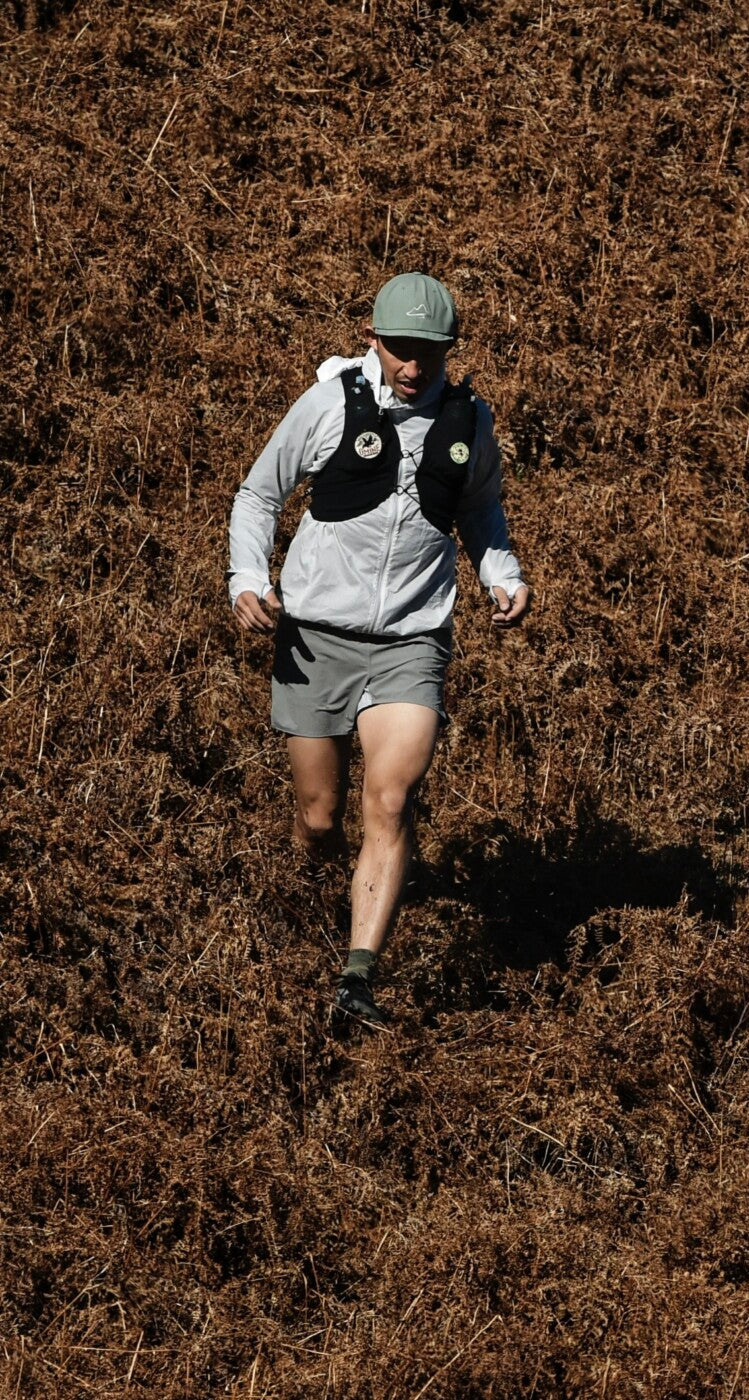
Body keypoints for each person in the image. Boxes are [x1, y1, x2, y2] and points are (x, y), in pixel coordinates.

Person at [228, 272, 530, 1029]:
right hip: (316, 635)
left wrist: (502, 572)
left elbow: (482, 507)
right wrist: (245, 580)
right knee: (321, 817)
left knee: (390, 800)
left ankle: (356, 980)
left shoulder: (467, 419)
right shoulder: (329, 405)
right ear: (372, 340)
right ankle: (302, 900)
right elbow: (260, 494)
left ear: (447, 351)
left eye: (428, 351)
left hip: (411, 639)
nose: (413, 365)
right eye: (399, 349)